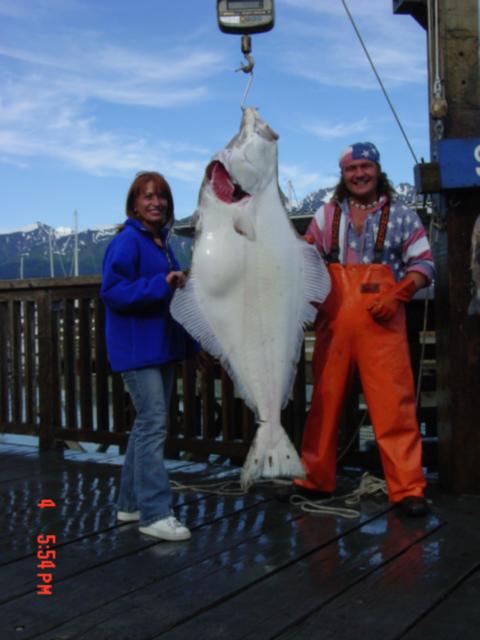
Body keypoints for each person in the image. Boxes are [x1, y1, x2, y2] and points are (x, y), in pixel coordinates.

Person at [295, 142, 435, 517]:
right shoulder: (326, 217)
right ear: (343, 175)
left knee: (395, 409)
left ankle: (407, 489)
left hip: (383, 324)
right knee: (323, 403)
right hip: (334, 325)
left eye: (365, 167)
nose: (359, 174)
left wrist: (399, 294)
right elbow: (303, 261)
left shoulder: (402, 215)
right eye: (351, 168)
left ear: (377, 169)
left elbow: (424, 263)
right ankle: (313, 479)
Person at [101, 171, 198, 540]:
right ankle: (155, 514)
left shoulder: (162, 242)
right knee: (154, 423)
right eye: (147, 196)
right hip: (137, 350)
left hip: (160, 346)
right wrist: (161, 283)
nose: (156, 202)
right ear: (134, 203)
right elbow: (112, 291)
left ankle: (129, 505)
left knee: (145, 425)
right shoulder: (128, 241)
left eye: (162, 197)